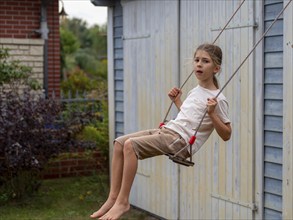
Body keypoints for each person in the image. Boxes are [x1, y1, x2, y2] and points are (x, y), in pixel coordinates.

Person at [90, 43, 232, 220]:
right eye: (196, 60)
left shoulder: (218, 99)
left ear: (216, 68)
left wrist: (212, 114)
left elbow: (226, 134)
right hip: (169, 131)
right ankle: (112, 198)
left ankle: (123, 202)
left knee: (130, 146)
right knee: (119, 143)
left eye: (205, 61)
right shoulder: (196, 91)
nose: (199, 64)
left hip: (181, 142)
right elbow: (189, 118)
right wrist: (178, 101)